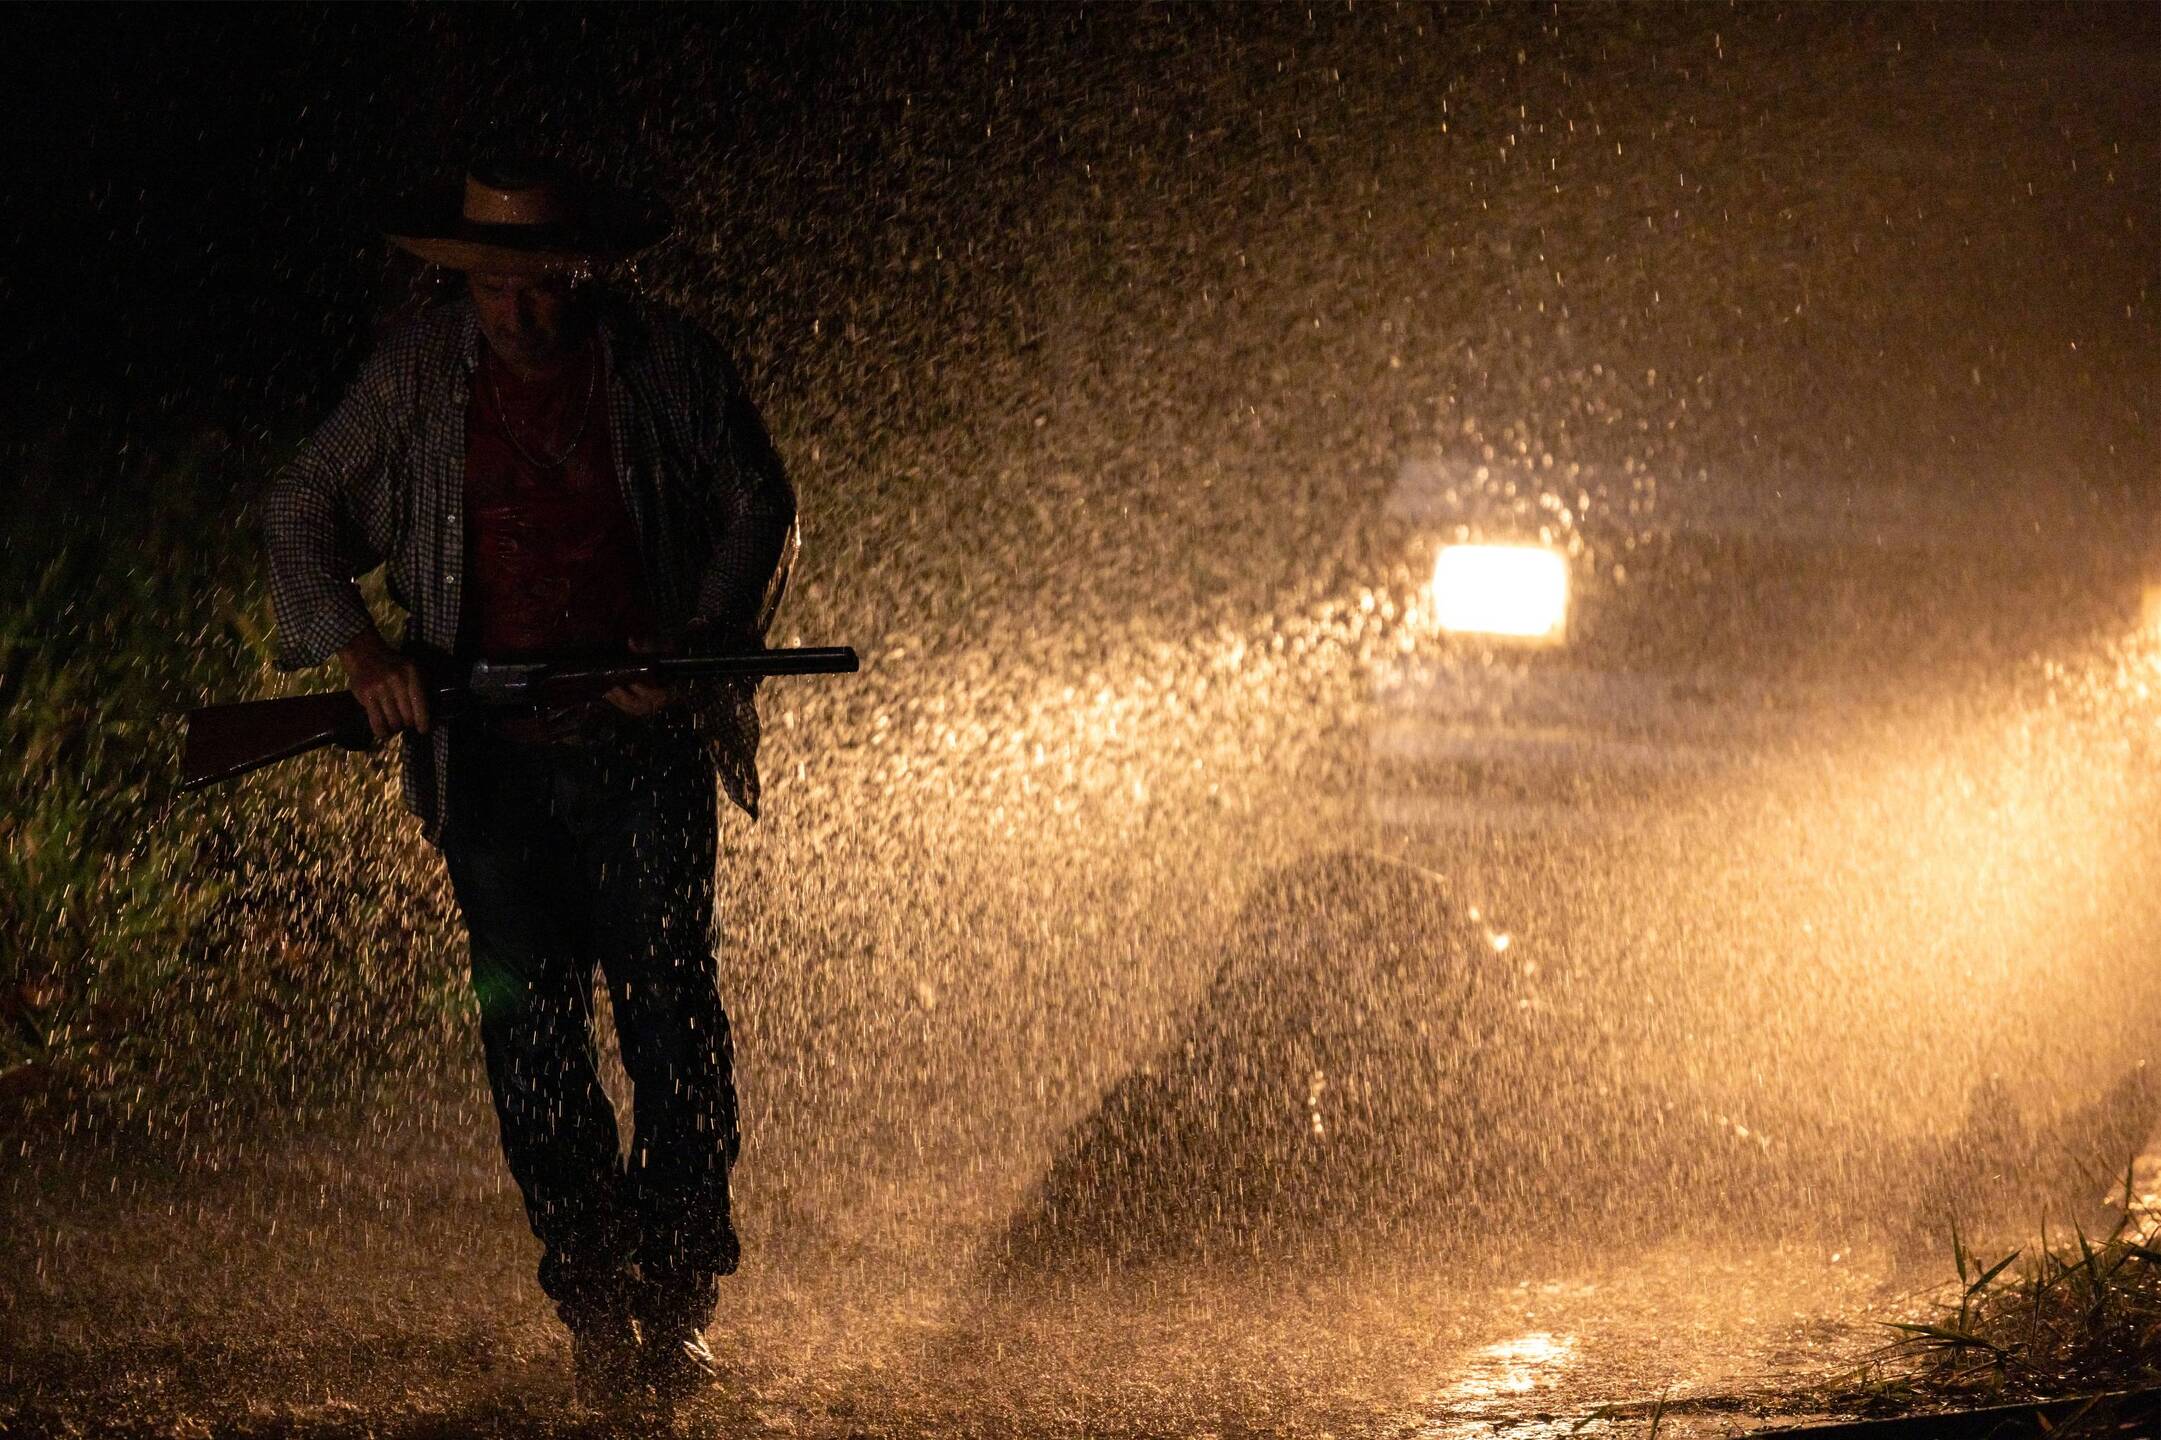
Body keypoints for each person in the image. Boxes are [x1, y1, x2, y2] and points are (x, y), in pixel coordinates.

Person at [261, 158, 798, 1407]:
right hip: (491, 768)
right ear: (462, 279)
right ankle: (595, 1302)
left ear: (587, 272)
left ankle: (676, 1298)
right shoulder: (412, 373)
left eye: (546, 283)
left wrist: (697, 641)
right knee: (533, 1043)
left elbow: (759, 504)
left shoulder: (664, 359)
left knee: (674, 1021)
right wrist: (362, 653)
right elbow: (299, 505)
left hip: (646, 759)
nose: (522, 311)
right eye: (497, 285)